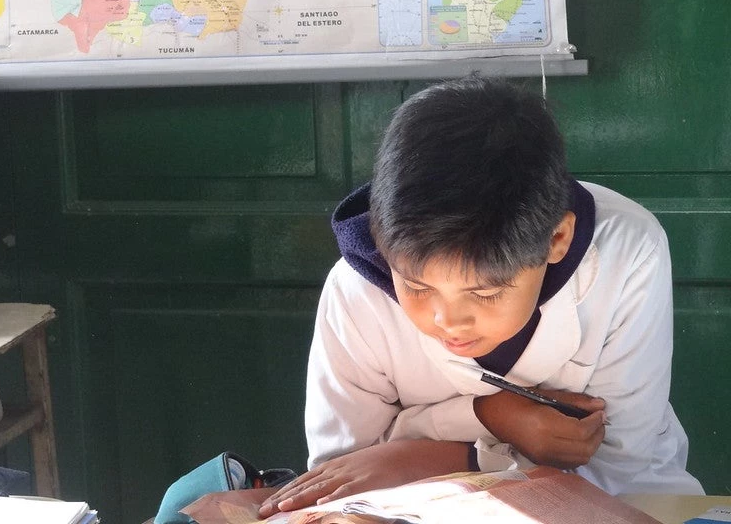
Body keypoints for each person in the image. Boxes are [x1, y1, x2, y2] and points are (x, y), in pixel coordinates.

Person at [258, 76, 704, 518]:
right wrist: (492, 416)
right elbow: (344, 478)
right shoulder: (355, 291)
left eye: (485, 293)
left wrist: (429, 451)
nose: (448, 321)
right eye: (416, 286)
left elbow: (615, 468)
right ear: (380, 238)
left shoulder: (627, 253)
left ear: (558, 239)